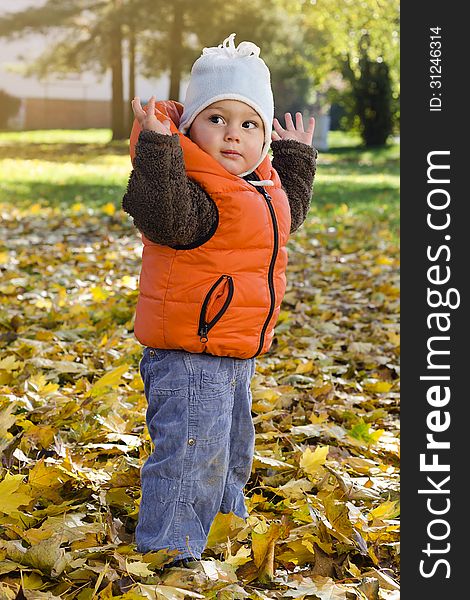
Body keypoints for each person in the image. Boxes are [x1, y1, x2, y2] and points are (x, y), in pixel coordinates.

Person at [122, 33, 317, 569]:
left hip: (232, 355)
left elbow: (286, 217)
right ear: (189, 127)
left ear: (263, 141)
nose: (232, 134)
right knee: (191, 456)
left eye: (248, 123)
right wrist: (159, 150)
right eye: (216, 119)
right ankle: (170, 556)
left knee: (230, 452)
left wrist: (297, 158)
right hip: (189, 356)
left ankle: (223, 531)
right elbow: (161, 215)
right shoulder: (192, 190)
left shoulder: (255, 187)